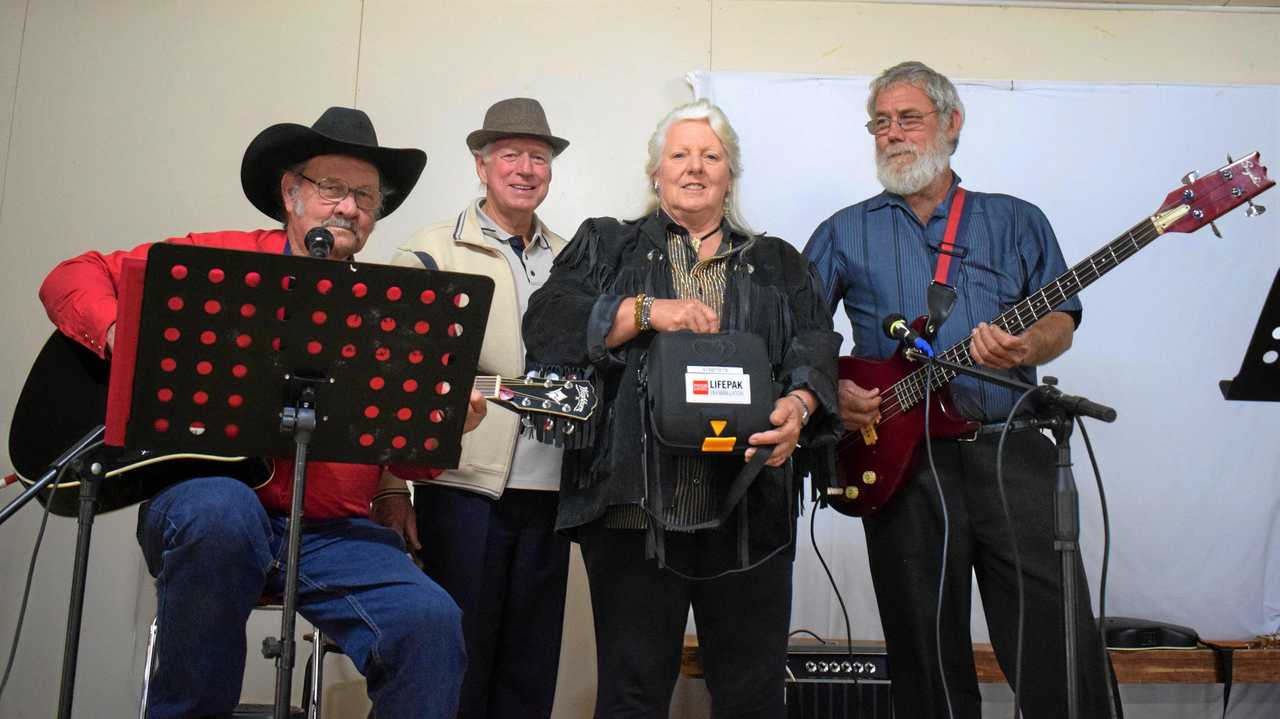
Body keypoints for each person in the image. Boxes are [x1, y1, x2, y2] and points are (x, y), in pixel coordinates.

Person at [39, 107, 485, 719]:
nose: (348, 208)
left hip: (332, 532)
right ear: (292, 193)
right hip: (208, 507)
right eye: (333, 189)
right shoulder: (217, 261)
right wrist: (123, 337)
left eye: (364, 196)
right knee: (222, 512)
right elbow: (73, 275)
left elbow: (407, 458)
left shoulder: (392, 314)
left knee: (432, 623)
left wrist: (442, 425)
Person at [803, 61, 1117, 718]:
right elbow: (797, 335)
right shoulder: (842, 230)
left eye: (908, 118)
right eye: (881, 123)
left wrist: (1027, 345)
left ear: (952, 123)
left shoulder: (1016, 220)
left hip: (1013, 452)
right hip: (901, 460)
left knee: (1056, 643)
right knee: (924, 653)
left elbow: (1062, 318)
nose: (892, 134)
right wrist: (834, 385)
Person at [523, 99, 841, 718]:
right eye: (680, 155)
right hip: (633, 515)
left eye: (710, 156)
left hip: (750, 512)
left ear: (730, 174)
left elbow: (816, 343)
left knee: (751, 696)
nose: (694, 167)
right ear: (656, 173)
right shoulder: (605, 245)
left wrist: (801, 403)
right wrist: (643, 311)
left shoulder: (777, 262)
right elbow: (548, 324)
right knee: (633, 694)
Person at [376, 97, 572, 719]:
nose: (525, 168)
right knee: (459, 659)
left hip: (554, 492)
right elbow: (390, 385)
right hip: (460, 485)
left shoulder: (575, 259)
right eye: (510, 155)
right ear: (481, 166)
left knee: (530, 669)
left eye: (538, 157)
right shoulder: (430, 252)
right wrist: (390, 489)